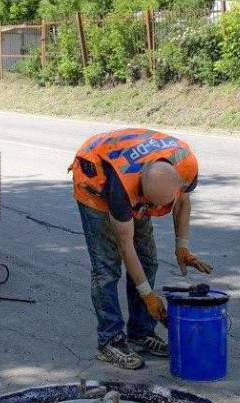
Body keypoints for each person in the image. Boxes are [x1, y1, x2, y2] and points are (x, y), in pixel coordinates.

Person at [70, 128, 213, 370]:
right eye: (147, 205)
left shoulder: (186, 165)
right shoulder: (121, 191)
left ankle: (140, 333)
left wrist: (182, 247)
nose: (149, 211)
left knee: (148, 259)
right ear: (141, 191)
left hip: (132, 168)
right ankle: (110, 341)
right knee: (107, 268)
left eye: (158, 206)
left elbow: (182, 203)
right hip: (95, 177)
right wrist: (148, 295)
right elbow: (125, 245)